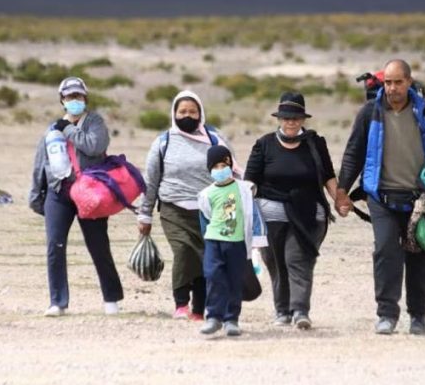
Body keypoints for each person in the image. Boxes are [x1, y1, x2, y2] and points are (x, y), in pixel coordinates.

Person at [334, 60, 425, 335]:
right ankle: (387, 314)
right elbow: (354, 152)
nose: (392, 88)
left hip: (419, 199)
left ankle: (418, 316)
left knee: (418, 256)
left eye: (398, 82)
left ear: (409, 82)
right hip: (381, 196)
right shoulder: (370, 112)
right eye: (388, 82)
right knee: (385, 251)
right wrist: (342, 190)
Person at [137, 90, 239, 321]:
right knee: (184, 252)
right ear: (174, 113)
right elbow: (151, 180)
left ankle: (199, 309)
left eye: (192, 111)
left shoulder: (214, 138)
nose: (188, 115)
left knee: (206, 258)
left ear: (200, 113)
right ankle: (181, 303)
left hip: (210, 210)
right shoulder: (164, 141)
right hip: (174, 209)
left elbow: (231, 170)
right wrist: (145, 215)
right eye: (182, 111)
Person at [29, 76, 124, 317]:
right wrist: (36, 195)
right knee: (55, 245)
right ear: (62, 99)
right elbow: (41, 162)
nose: (74, 100)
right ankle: (57, 301)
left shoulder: (95, 122)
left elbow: (93, 146)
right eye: (70, 97)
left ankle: (111, 299)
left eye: (78, 96)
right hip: (59, 192)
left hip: (89, 192)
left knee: (98, 245)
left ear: (85, 98)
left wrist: (69, 129)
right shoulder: (52, 129)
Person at [244, 92, 338, 330]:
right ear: (279, 118)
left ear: (303, 119)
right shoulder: (263, 144)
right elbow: (250, 181)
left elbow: (328, 176)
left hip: (307, 213)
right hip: (270, 214)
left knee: (297, 259)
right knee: (275, 263)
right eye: (286, 117)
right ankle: (282, 311)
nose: (291, 122)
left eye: (296, 117)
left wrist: (340, 199)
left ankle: (300, 311)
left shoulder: (315, 144)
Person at [197, 145, 267, 336]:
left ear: (230, 164)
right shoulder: (206, 194)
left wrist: (258, 240)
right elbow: (205, 219)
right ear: (209, 169)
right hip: (213, 241)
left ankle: (231, 319)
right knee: (213, 276)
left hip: (236, 243)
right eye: (216, 166)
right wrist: (206, 240)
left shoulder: (244, 189)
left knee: (234, 279)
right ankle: (213, 317)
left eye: (224, 165)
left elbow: (254, 214)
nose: (220, 170)